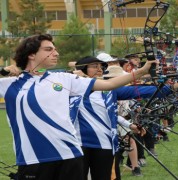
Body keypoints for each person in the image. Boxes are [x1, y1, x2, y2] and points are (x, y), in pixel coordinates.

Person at [0, 34, 155, 180]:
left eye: (55, 49)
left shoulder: (64, 79)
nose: (56, 53)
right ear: (31, 54)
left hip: (70, 155)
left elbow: (110, 84)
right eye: (48, 49)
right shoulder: (9, 84)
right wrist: (2, 71)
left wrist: (142, 71)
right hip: (32, 159)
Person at [72, 56, 178, 179]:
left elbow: (139, 91)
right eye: (95, 66)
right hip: (80, 145)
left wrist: (171, 88)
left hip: (106, 145)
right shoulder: (71, 89)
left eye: (101, 66)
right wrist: (73, 75)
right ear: (82, 69)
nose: (99, 69)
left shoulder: (109, 90)